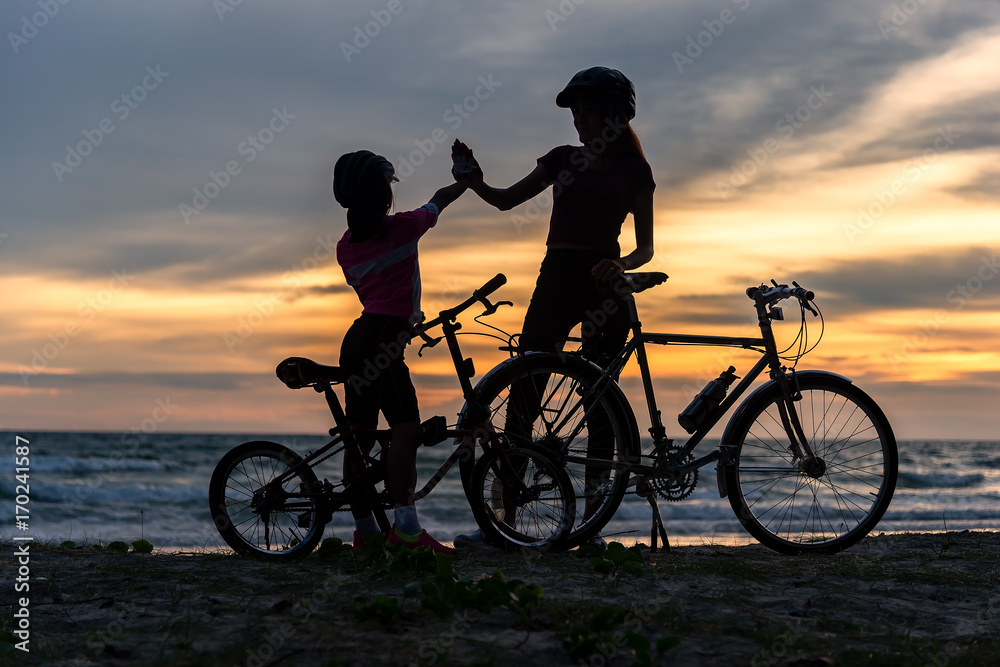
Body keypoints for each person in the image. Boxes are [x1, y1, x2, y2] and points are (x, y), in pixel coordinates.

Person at [451, 66, 655, 547]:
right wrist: (475, 180)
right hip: (556, 280)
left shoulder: (635, 171)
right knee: (526, 388)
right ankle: (503, 522)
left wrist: (619, 264)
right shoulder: (563, 158)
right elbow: (505, 201)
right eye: (575, 112)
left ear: (614, 116)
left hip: (606, 288)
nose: (577, 120)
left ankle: (590, 525)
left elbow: (645, 248)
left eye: (585, 110)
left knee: (601, 404)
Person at [333, 149, 470, 554]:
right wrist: (464, 177)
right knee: (406, 431)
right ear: (385, 196)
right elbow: (439, 200)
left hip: (359, 339)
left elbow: (372, 296)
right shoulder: (405, 228)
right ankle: (407, 531)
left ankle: (366, 533)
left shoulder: (345, 248)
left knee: (358, 439)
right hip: (383, 343)